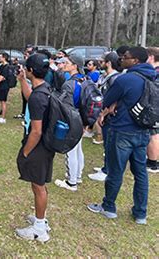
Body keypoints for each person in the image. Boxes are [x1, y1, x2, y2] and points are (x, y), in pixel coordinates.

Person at [87, 47, 155, 225]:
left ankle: (108, 207)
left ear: (135, 61)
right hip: (143, 131)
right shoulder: (153, 78)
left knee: (116, 170)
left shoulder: (126, 79)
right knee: (140, 173)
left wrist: (114, 105)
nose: (121, 59)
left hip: (122, 131)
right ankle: (140, 213)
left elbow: (106, 100)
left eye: (125, 57)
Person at [15, 53, 53, 242]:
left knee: (38, 187)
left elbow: (36, 132)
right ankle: (41, 219)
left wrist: (26, 152)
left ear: (30, 70)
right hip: (45, 145)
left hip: (37, 146)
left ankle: (39, 229)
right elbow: (32, 99)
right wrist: (22, 81)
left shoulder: (40, 96)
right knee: (39, 185)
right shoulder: (44, 89)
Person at [54, 54, 85, 192]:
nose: (63, 64)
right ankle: (77, 175)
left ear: (75, 66)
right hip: (82, 118)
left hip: (73, 119)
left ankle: (71, 182)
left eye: (67, 62)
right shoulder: (85, 79)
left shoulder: (69, 84)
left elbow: (64, 105)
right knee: (78, 148)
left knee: (70, 149)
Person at [88, 52, 121, 181]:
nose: (100, 64)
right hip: (104, 113)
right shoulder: (106, 76)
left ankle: (107, 170)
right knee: (107, 143)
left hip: (109, 116)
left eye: (102, 61)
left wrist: (104, 114)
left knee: (109, 143)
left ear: (108, 63)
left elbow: (115, 100)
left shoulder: (115, 78)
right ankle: (105, 167)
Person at [146, 47, 159, 173]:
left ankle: (153, 163)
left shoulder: (156, 73)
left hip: (155, 107)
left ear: (151, 57)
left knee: (154, 134)